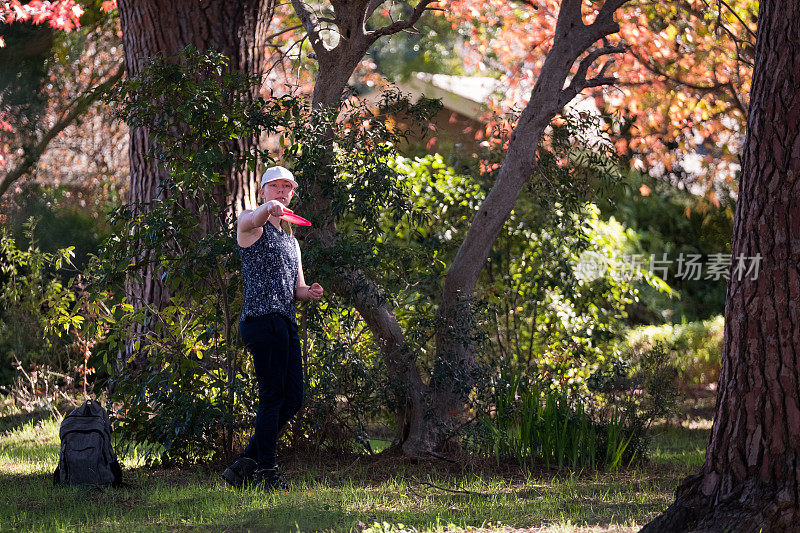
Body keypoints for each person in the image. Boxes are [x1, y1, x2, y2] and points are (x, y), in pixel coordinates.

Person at [222, 165, 323, 491]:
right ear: (263, 190)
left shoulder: (292, 243)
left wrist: (309, 293)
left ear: (292, 193)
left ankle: (243, 465)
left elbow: (297, 288)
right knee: (272, 396)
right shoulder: (250, 225)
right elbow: (254, 217)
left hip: (285, 321)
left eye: (287, 187)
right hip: (260, 321)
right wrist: (267, 210)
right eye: (275, 186)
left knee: (293, 398)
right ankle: (267, 472)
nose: (282, 191)